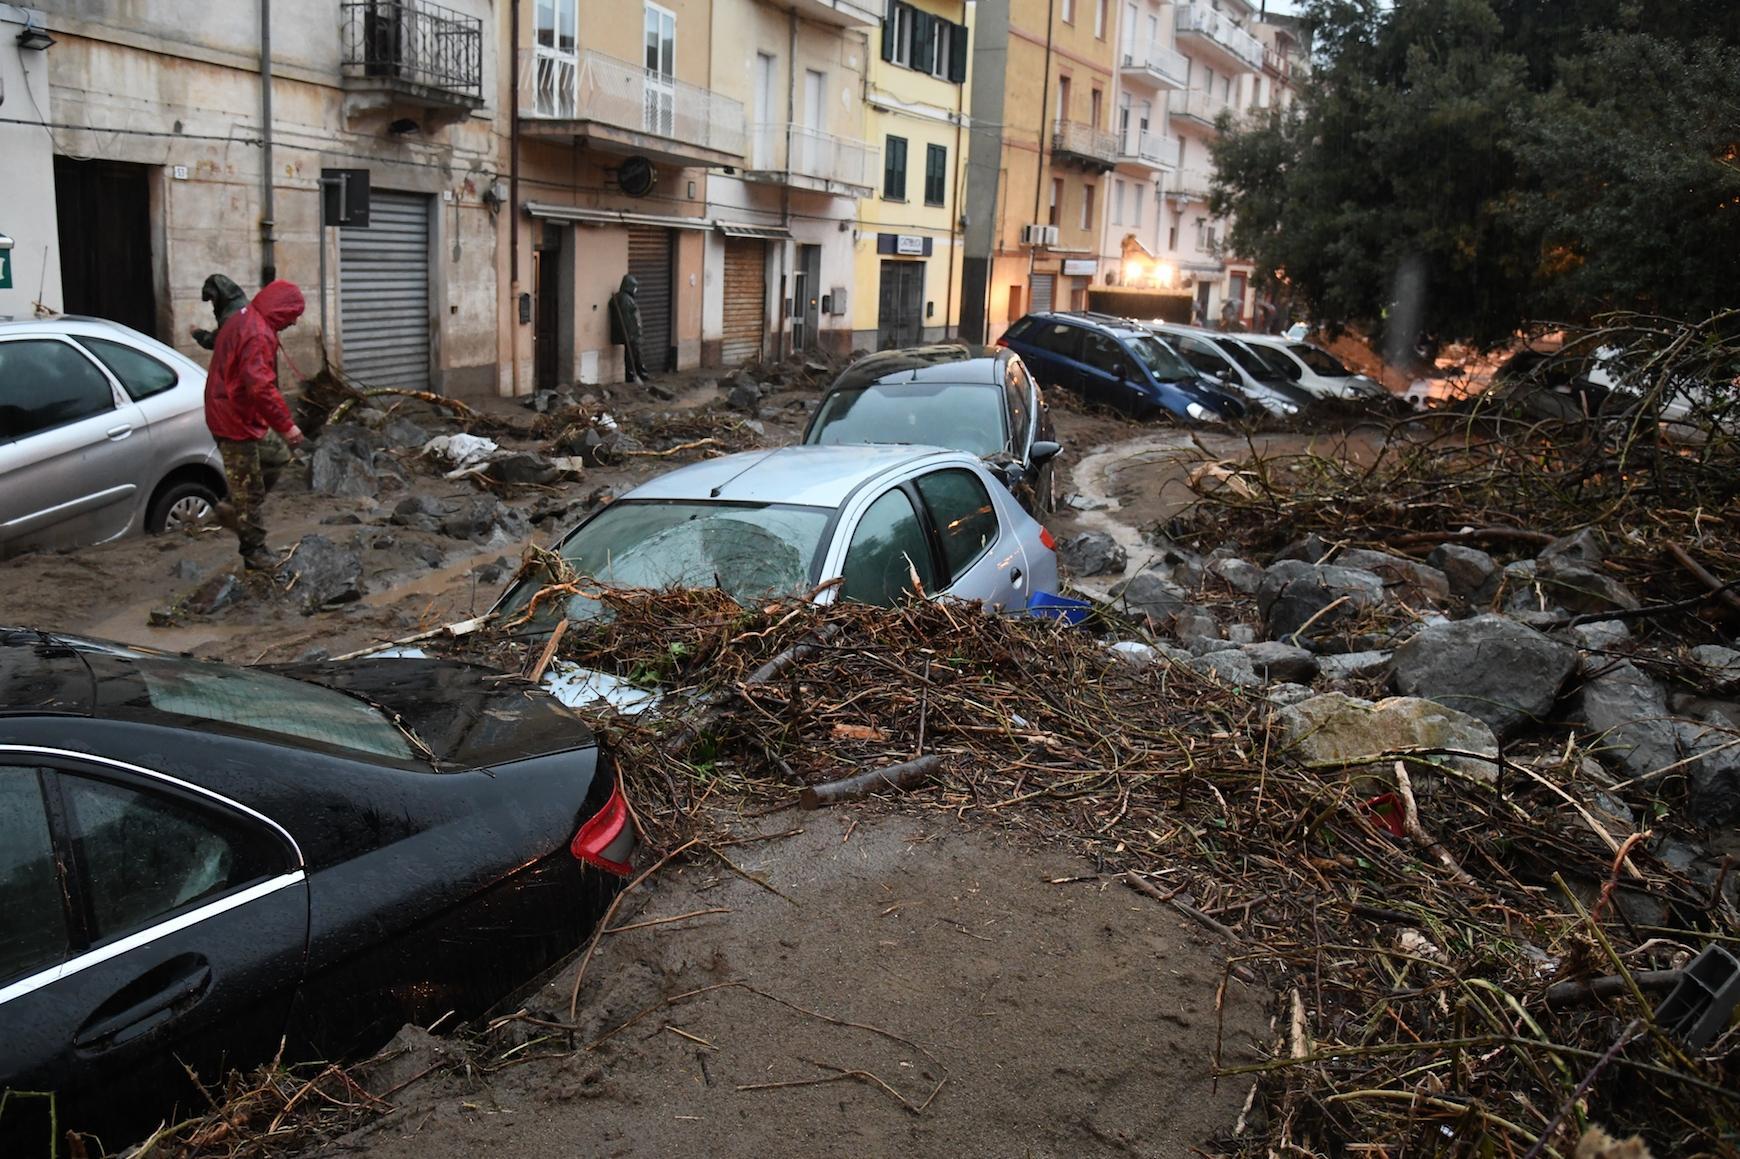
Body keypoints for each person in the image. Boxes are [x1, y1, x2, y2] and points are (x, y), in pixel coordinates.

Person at [205, 279, 306, 570]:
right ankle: (255, 551)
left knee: (276, 458)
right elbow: (259, 386)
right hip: (232, 419)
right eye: (294, 314)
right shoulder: (257, 333)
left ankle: (228, 506)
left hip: (239, 412)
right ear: (281, 309)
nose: (295, 321)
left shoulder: (246, 318)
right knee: (249, 492)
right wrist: (287, 426)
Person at [190, 274, 248, 350]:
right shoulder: (245, 305)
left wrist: (197, 333)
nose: (212, 304)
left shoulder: (230, 316)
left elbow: (217, 342)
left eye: (212, 299)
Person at [608, 274, 648, 384]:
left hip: (633, 334)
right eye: (634, 286)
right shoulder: (625, 299)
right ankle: (635, 376)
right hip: (632, 334)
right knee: (633, 355)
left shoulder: (626, 298)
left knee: (634, 355)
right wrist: (631, 334)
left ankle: (638, 375)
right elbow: (627, 319)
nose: (636, 289)